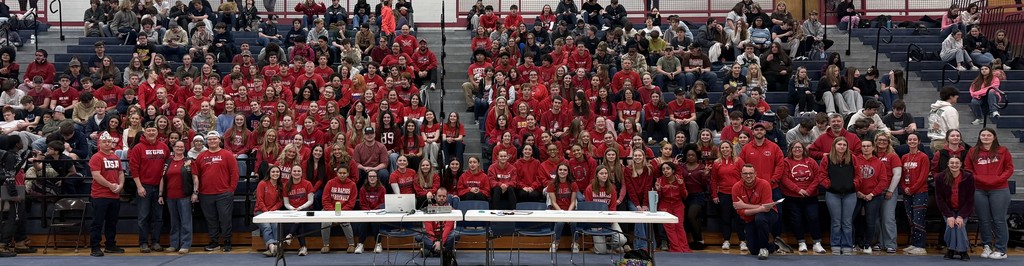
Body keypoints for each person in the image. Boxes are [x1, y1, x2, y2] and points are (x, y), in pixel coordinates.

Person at [965, 128, 1013, 260]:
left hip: (999, 189)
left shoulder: (1003, 151)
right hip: (979, 190)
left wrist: (998, 179)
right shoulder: (972, 151)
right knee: (984, 220)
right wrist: (980, 179)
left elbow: (1009, 168)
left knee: (999, 220)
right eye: (983, 135)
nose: (985, 137)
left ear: (994, 137)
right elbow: (968, 169)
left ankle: (1001, 249)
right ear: (979, 137)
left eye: (988, 135)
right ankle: (987, 246)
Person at [192, 131, 239, 252]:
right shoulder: (201, 156)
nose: (212, 141)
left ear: (219, 140)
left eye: (214, 139)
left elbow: (234, 173)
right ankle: (214, 242)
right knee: (210, 219)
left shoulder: (227, 154)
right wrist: (197, 191)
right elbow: (196, 174)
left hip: (223, 193)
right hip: (206, 193)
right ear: (207, 142)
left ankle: (227, 241)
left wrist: (231, 190)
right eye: (209, 139)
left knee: (225, 218)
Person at [775, 141, 825, 253]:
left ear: (803, 149)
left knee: (813, 218)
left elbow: (818, 176)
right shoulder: (786, 162)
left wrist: (809, 190)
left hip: (810, 196)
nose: (797, 149)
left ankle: (817, 242)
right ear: (791, 150)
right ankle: (801, 242)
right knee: (796, 220)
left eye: (799, 147)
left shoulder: (811, 161)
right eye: (794, 147)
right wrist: (798, 190)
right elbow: (784, 178)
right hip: (792, 196)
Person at [128, 122, 170, 253]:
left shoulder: (164, 147)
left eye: (154, 130)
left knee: (158, 217)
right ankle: (143, 242)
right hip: (144, 186)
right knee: (143, 217)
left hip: (160, 188)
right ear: (144, 132)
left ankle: (156, 242)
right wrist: (139, 187)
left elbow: (167, 165)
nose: (151, 133)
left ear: (157, 132)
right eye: (149, 130)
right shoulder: (138, 148)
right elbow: (133, 169)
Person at [89, 132, 126, 257]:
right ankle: (95, 247)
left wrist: (120, 186)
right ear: (99, 143)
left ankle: (110, 245)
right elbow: (96, 175)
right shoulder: (96, 157)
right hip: (100, 195)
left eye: (109, 142)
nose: (107, 144)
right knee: (97, 222)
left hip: (114, 195)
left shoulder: (116, 157)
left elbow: (121, 173)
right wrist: (111, 185)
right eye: (104, 142)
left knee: (112, 222)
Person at [733, 164, 781, 260]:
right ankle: (774, 245)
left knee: (760, 218)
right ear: (741, 175)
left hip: (769, 214)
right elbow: (741, 213)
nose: (748, 176)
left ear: (755, 174)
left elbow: (766, 208)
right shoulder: (736, 187)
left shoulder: (764, 184)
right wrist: (759, 208)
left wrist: (745, 206)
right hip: (750, 218)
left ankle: (763, 249)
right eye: (745, 173)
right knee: (754, 250)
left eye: (750, 173)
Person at [820, 137, 859, 255]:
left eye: (844, 145)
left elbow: (858, 175)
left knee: (847, 222)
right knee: (836, 221)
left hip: (850, 194)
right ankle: (836, 245)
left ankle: (847, 245)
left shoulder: (852, 158)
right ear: (834, 146)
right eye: (839, 144)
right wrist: (830, 186)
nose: (842, 146)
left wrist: (853, 185)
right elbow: (822, 175)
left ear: (847, 147)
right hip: (833, 194)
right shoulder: (826, 158)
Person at [160, 140, 197, 255]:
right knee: (174, 222)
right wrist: (160, 194)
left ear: (184, 149)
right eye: (177, 146)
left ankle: (185, 245)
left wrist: (195, 192)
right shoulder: (167, 162)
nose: (180, 148)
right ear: (173, 148)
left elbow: (195, 178)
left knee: (186, 221)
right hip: (170, 197)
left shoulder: (189, 162)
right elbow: (162, 179)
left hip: (184, 196)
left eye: (182, 147)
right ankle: (174, 244)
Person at [934, 157, 974, 260]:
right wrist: (949, 215)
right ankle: (951, 250)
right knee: (951, 225)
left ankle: (962, 251)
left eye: (957, 163)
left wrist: (961, 216)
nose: (954, 165)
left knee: (959, 225)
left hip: (963, 209)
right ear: (948, 164)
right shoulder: (940, 177)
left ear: (961, 164)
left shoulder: (968, 177)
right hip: (948, 208)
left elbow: (970, 199)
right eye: (952, 163)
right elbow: (939, 198)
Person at [711, 141, 746, 251]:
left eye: (727, 147)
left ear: (731, 149)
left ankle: (743, 241)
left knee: (739, 219)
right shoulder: (717, 163)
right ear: (720, 150)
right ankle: (726, 240)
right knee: (725, 219)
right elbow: (714, 180)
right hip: (723, 194)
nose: (725, 149)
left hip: (737, 195)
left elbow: (744, 176)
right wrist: (714, 195)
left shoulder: (738, 161)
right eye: (723, 148)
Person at [900, 134, 929, 255]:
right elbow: (902, 175)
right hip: (907, 192)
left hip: (920, 192)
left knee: (918, 219)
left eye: (914, 139)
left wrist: (912, 189)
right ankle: (914, 243)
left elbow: (923, 177)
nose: (912, 141)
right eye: (910, 139)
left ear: (919, 141)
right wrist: (904, 187)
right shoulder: (904, 157)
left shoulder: (923, 157)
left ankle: (921, 245)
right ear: (907, 141)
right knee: (911, 219)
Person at [656, 162, 692, 252]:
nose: (665, 171)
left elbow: (685, 195)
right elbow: (658, 198)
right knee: (670, 228)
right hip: (665, 205)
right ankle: (676, 249)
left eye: (668, 169)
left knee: (679, 225)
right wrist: (658, 190)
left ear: (673, 170)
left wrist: (681, 185)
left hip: (678, 205)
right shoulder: (659, 180)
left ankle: (684, 248)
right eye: (663, 169)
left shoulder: (679, 179)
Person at [320, 167, 357, 254]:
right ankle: (326, 245)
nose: (342, 175)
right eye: (340, 173)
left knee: (345, 221)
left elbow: (351, 203)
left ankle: (351, 244)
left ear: (348, 173)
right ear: (337, 173)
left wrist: (340, 213)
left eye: (344, 173)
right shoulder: (330, 183)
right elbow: (325, 200)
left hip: (344, 210)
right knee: (325, 221)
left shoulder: (352, 185)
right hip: (329, 209)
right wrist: (333, 213)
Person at [416, 187, 459, 257]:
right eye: (439, 196)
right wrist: (435, 241)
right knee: (418, 236)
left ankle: (433, 251)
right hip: (433, 237)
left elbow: (448, 228)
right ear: (435, 196)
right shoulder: (429, 210)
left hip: (446, 237)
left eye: (444, 196)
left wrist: (441, 242)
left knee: (455, 235)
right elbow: (429, 229)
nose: (441, 198)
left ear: (447, 197)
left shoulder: (452, 210)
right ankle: (445, 251)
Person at [547, 163, 579, 253]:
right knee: (560, 222)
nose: (562, 171)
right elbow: (553, 202)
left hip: (570, 210)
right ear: (557, 171)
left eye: (565, 170)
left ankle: (575, 242)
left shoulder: (573, 184)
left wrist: (568, 213)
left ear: (568, 172)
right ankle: (555, 242)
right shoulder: (552, 184)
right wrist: (562, 213)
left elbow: (573, 201)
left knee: (573, 222)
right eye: (560, 170)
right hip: (557, 210)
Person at [282, 166, 314, 256]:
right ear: (291, 172)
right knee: (300, 222)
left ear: (302, 172)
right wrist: (293, 209)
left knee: (300, 217)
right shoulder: (286, 185)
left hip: (306, 208)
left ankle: (290, 235)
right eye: (294, 171)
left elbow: (310, 201)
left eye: (299, 171)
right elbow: (286, 203)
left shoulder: (307, 184)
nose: (296, 173)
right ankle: (303, 247)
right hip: (292, 210)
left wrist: (300, 208)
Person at [356, 170, 386, 254]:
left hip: (378, 212)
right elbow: (362, 203)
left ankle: (378, 244)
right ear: (367, 178)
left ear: (377, 178)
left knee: (375, 222)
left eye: (374, 176)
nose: (372, 178)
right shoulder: (362, 189)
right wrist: (368, 211)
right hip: (366, 212)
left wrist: (374, 211)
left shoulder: (382, 188)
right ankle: (361, 244)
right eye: (370, 176)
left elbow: (382, 203)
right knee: (363, 222)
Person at [354, 127, 390, 191]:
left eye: (371, 134)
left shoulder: (381, 146)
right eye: (367, 134)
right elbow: (356, 163)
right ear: (364, 135)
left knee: (384, 173)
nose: (369, 135)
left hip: (377, 169)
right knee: (356, 172)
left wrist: (374, 169)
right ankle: (359, 194)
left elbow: (384, 163)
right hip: (364, 169)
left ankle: (382, 193)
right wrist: (363, 168)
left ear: (374, 135)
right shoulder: (358, 147)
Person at [927, 86, 960, 151]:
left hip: (934, 142)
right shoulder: (950, 110)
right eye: (956, 96)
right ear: (951, 97)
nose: (957, 97)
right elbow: (953, 128)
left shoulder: (933, 109)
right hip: (944, 143)